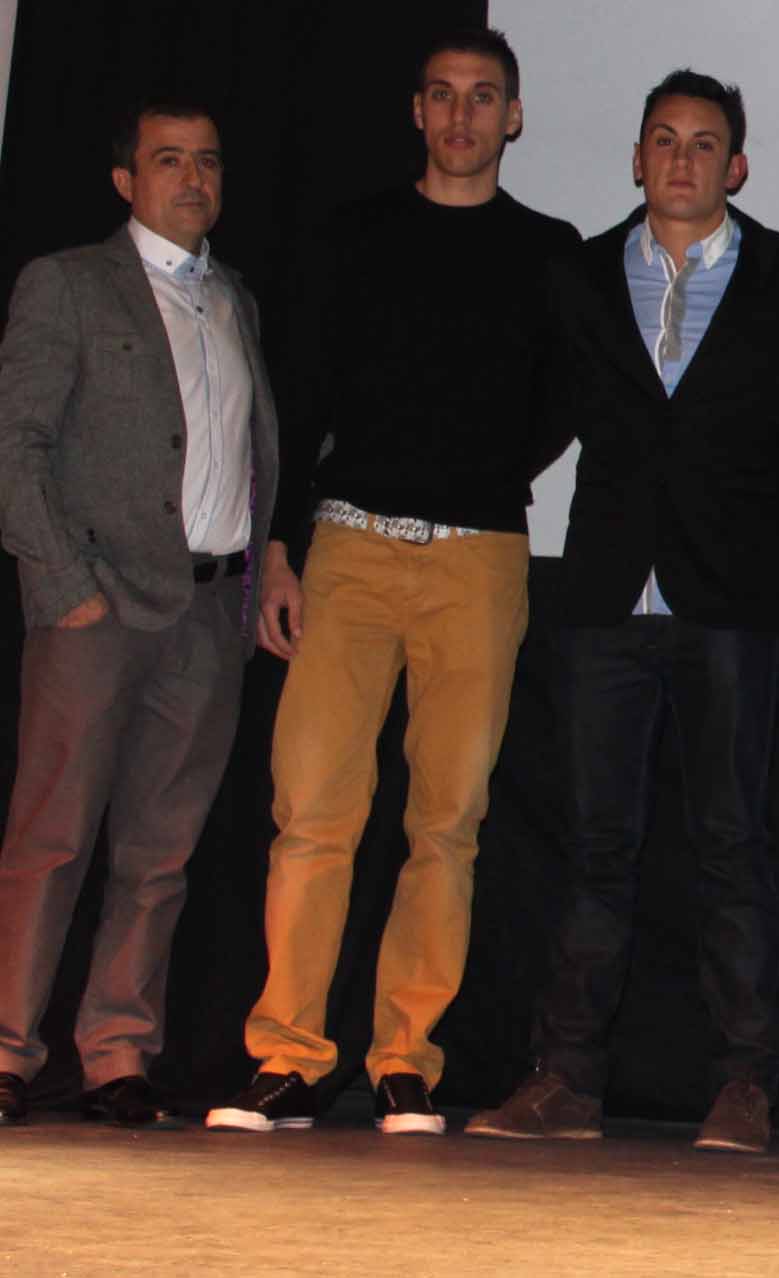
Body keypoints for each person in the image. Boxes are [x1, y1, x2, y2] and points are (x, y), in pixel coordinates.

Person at [465, 68, 779, 1155]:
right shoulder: (581, 275)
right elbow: (537, 421)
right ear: (637, 157)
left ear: (737, 165)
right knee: (596, 845)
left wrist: (778, 504)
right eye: (665, 140)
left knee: (731, 843)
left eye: (704, 143)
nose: (683, 160)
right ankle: (565, 1078)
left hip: (730, 601)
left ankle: (748, 1082)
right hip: (604, 597)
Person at [204, 26, 578, 1137]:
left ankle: (405, 1059)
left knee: (447, 820)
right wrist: (280, 546)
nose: (463, 116)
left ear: (514, 117)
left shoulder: (551, 251)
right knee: (313, 812)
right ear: (417, 112)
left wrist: (481, 476)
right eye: (444, 95)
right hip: (348, 548)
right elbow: (301, 398)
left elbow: (563, 401)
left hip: (478, 560)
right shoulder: (350, 235)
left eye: (484, 97)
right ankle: (286, 1056)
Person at [0, 99, 278, 1130]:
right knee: (52, 841)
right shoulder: (69, 283)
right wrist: (64, 585)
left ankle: (117, 1053)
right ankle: (5, 1049)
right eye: (169, 160)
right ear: (127, 180)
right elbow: (13, 444)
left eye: (208, 161)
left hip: (207, 616)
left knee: (159, 856)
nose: (193, 178)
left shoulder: (235, 297)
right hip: (97, 606)